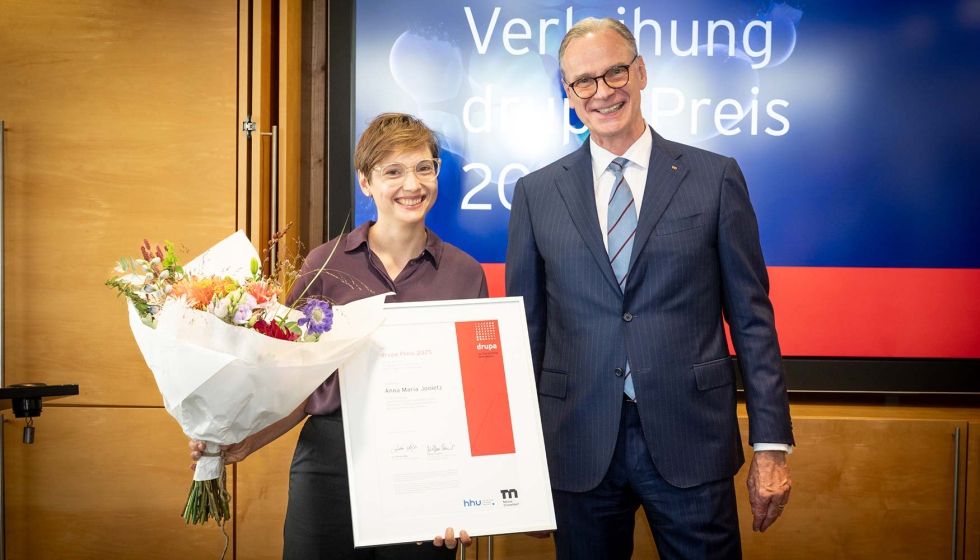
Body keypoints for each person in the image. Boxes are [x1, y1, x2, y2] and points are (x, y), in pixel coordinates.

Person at [505, 18, 794, 560]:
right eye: (582, 82)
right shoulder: (536, 194)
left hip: (691, 439)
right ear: (568, 96)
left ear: (639, 72)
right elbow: (528, 335)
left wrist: (771, 446)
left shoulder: (714, 177)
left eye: (614, 71)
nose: (602, 92)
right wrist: (522, 463)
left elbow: (753, 321)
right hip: (576, 445)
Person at [190, 113, 487, 559]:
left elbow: (477, 396)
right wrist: (245, 438)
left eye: (424, 167)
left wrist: (470, 496)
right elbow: (291, 382)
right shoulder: (325, 264)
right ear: (366, 183)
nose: (413, 183)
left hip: (425, 463)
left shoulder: (464, 273)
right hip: (329, 464)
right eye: (393, 171)